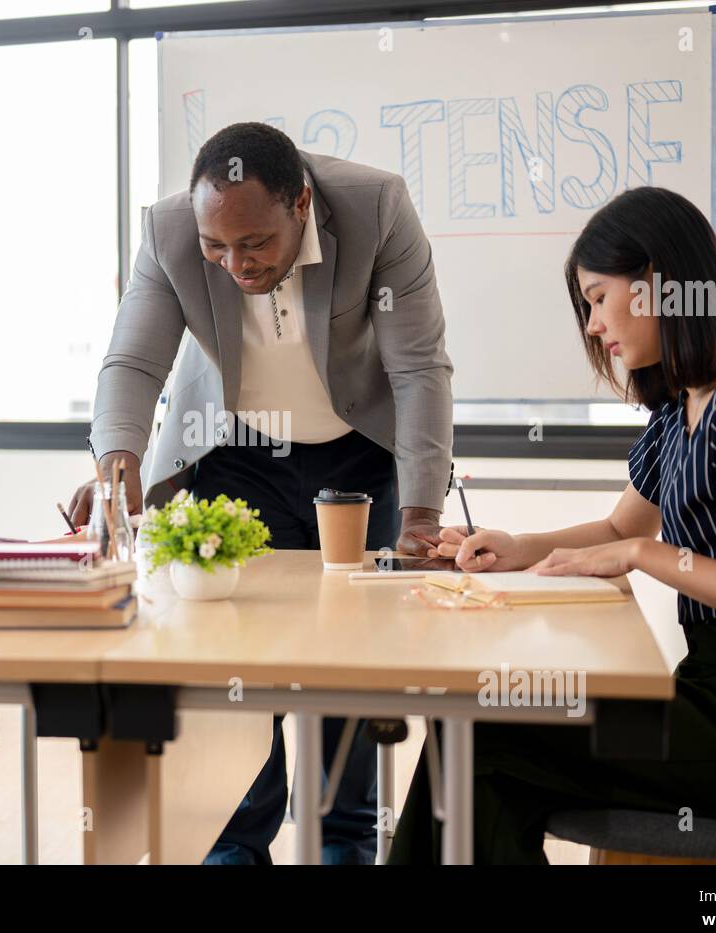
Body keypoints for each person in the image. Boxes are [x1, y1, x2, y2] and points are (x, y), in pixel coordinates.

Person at [389, 186, 716, 864]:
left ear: (659, 283)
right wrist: (520, 547)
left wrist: (644, 553)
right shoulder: (686, 398)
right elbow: (618, 528)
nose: (592, 326)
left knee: (480, 739)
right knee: (477, 738)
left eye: (598, 298)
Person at [69, 122, 454, 863]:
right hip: (236, 452)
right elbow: (131, 363)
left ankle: (345, 842)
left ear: (302, 203)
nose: (234, 263)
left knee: (350, 654)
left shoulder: (375, 207)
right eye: (219, 248)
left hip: (360, 453)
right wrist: (115, 477)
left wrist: (422, 516)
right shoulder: (172, 230)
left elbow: (418, 370)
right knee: (236, 652)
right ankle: (236, 845)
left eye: (254, 245)